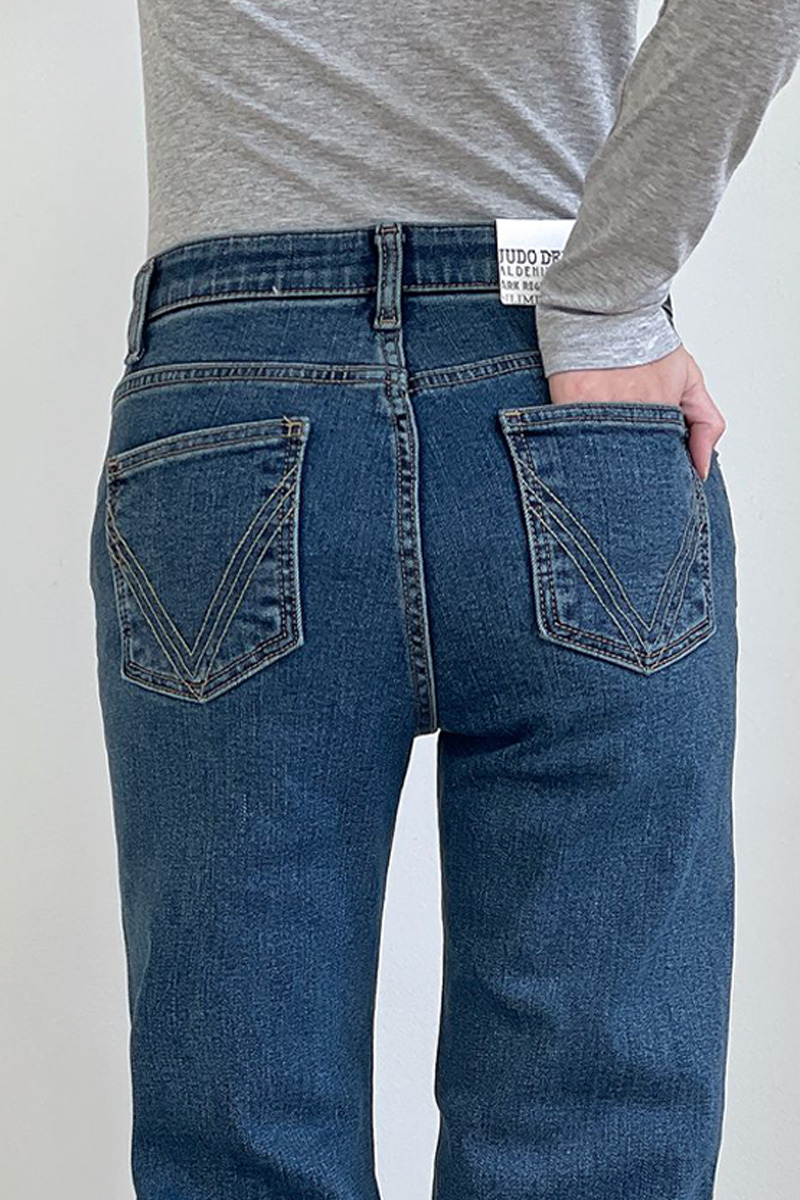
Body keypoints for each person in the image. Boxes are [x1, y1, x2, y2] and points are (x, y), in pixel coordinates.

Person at [88, 2, 800, 1198]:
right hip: (562, 383)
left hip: (231, 390)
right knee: (590, 1139)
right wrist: (610, 293)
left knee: (241, 1133)